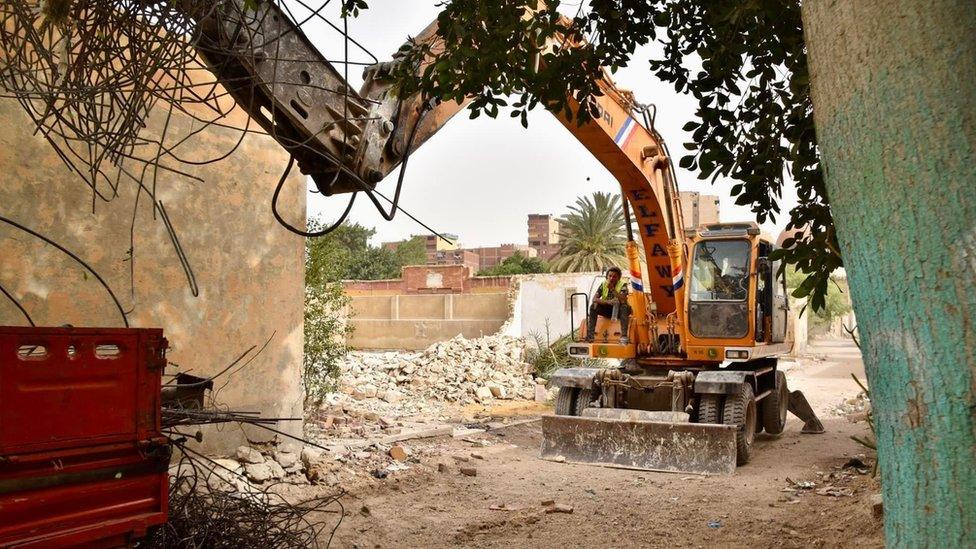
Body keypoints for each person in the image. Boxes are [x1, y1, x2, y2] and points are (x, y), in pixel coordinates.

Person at [586, 266, 631, 343]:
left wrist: (613, 289)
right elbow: (594, 299)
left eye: (614, 277)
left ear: (618, 278)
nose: (611, 278)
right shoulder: (603, 284)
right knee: (593, 306)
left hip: (620, 311)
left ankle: (624, 336)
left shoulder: (623, 285)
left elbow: (623, 299)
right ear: (607, 277)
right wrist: (608, 302)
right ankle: (590, 336)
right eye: (610, 276)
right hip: (608, 309)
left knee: (624, 307)